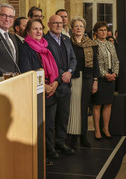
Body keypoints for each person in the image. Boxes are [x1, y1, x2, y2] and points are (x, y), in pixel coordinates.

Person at [18, 19, 60, 166]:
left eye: (40, 29)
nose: (38, 32)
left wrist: (55, 82)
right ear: (28, 32)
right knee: (38, 128)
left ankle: (50, 149)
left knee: (49, 125)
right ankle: (40, 155)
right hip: (36, 93)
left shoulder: (46, 46)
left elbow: (55, 67)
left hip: (51, 91)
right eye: (35, 29)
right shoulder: (25, 48)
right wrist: (44, 86)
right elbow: (26, 71)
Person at [44, 15, 77, 155]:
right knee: (50, 120)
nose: (58, 25)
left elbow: (73, 59)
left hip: (66, 84)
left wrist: (69, 72)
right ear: (49, 24)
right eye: (55, 23)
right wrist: (62, 74)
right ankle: (50, 147)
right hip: (52, 85)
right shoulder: (44, 40)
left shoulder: (66, 39)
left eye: (60, 23)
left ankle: (61, 142)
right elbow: (49, 62)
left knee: (64, 116)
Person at [68, 17, 99, 149]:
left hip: (87, 79)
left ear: (84, 29)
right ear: (72, 29)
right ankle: (73, 137)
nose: (79, 28)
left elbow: (96, 64)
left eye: (81, 26)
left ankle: (84, 136)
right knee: (74, 109)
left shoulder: (91, 44)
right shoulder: (68, 43)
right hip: (73, 78)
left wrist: (95, 81)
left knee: (84, 108)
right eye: (76, 26)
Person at [92, 21, 119, 140]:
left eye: (105, 30)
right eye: (101, 30)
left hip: (111, 77)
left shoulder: (110, 44)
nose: (103, 32)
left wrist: (115, 73)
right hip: (100, 78)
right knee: (97, 104)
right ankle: (97, 129)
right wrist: (105, 74)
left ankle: (106, 128)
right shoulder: (94, 44)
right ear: (96, 32)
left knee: (108, 104)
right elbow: (95, 63)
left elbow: (116, 61)